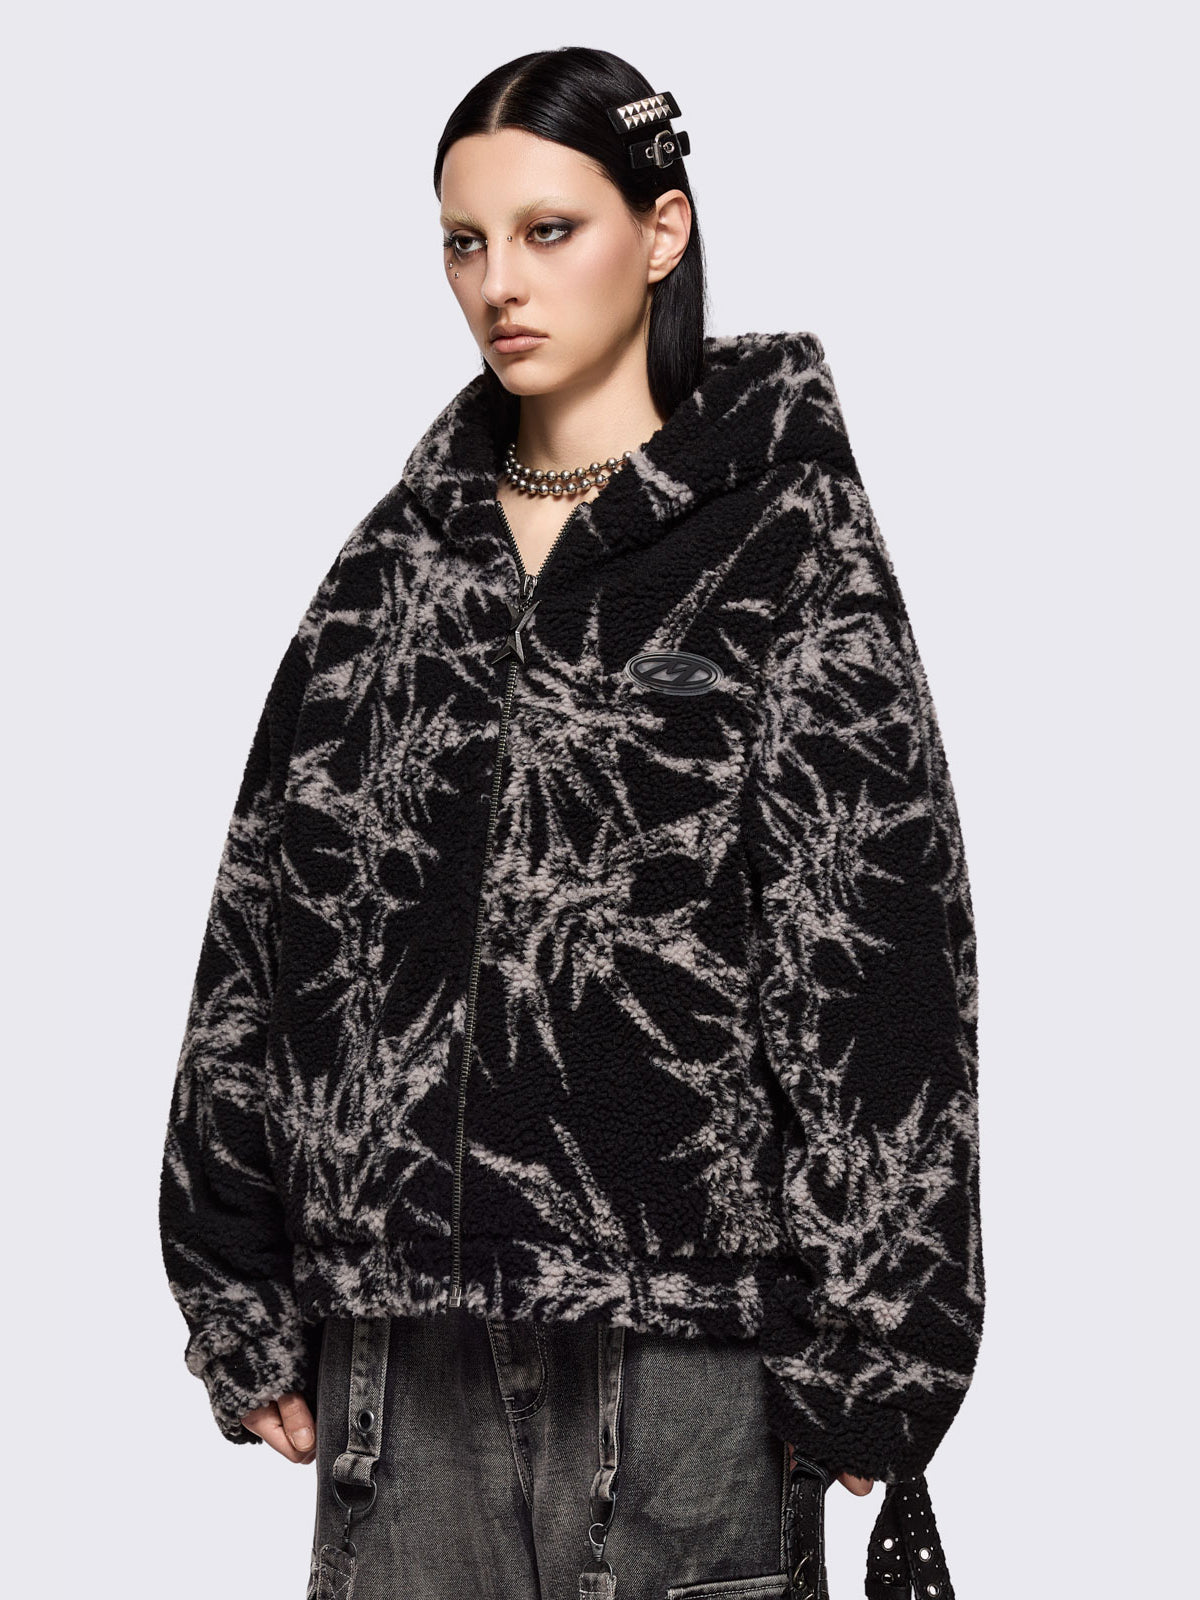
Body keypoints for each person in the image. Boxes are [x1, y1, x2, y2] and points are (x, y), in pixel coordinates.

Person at [158, 45, 982, 1600]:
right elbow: (269, 913)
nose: (499, 283)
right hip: (400, 1359)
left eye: (550, 230)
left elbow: (873, 942)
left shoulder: (782, 546)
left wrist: (887, 1331)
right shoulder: (397, 568)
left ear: (661, 230)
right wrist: (233, 1279)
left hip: (686, 1364)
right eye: (464, 242)